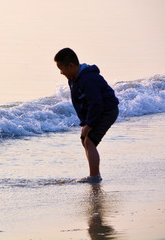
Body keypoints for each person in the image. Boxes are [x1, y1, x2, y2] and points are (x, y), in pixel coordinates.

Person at [54, 48, 119, 183]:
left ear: (71, 66)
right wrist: (85, 122)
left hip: (107, 110)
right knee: (85, 140)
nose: (61, 72)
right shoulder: (73, 79)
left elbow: (96, 103)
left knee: (89, 141)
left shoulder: (88, 78)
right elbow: (80, 102)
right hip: (96, 111)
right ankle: (94, 175)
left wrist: (90, 124)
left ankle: (94, 177)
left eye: (62, 68)